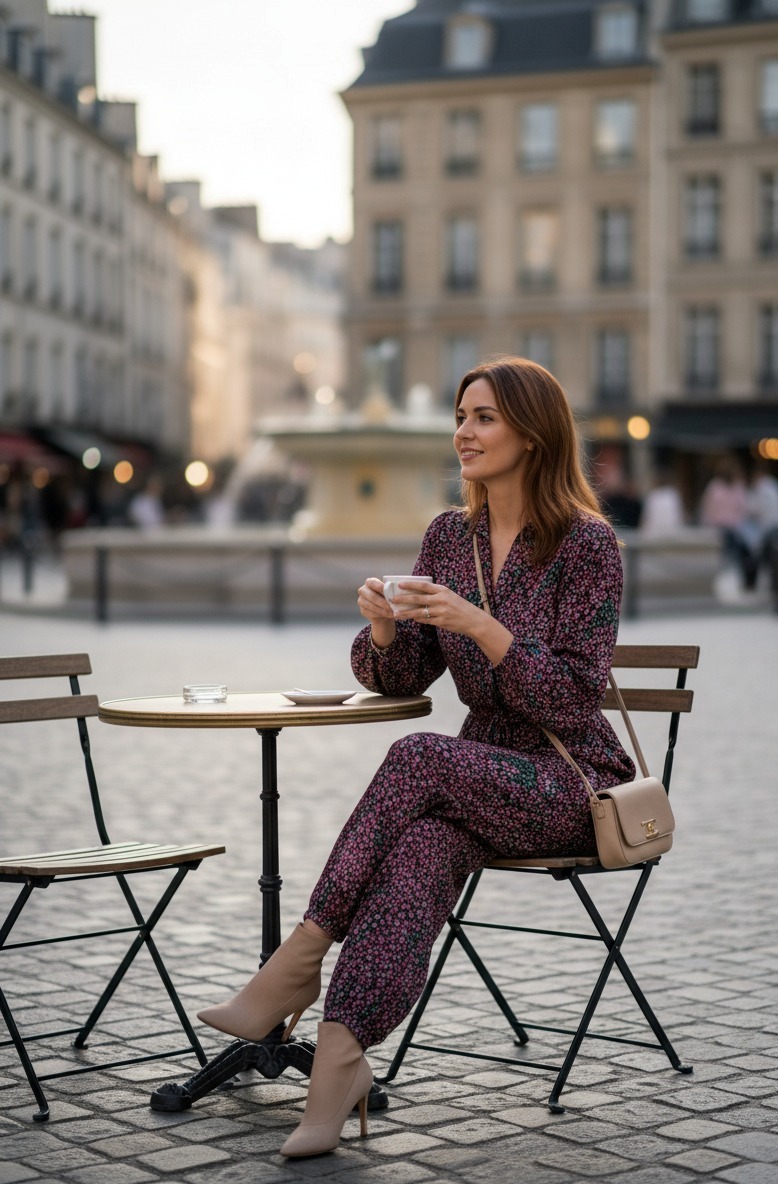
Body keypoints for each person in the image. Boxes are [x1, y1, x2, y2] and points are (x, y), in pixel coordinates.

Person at [197, 357, 634, 1158]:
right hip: (474, 780)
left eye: (484, 418)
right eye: (461, 416)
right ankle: (338, 1066)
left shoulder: (588, 544)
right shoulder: (447, 536)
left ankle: (294, 964)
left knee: (417, 758)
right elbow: (399, 680)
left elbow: (573, 699)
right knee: (420, 853)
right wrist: (388, 629)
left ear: (534, 434)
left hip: (570, 781)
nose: (463, 432)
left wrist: (482, 627)